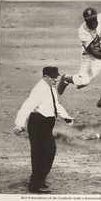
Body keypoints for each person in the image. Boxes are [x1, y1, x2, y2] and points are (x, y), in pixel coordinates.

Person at [14, 66, 74, 194]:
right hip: (38, 124)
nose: (56, 79)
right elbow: (27, 106)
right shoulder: (39, 89)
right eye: (53, 77)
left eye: (57, 76)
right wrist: (20, 124)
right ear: (45, 77)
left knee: (49, 151)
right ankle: (35, 185)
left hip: (46, 125)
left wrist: (66, 116)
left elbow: (56, 104)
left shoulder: (51, 87)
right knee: (40, 154)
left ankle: (39, 180)